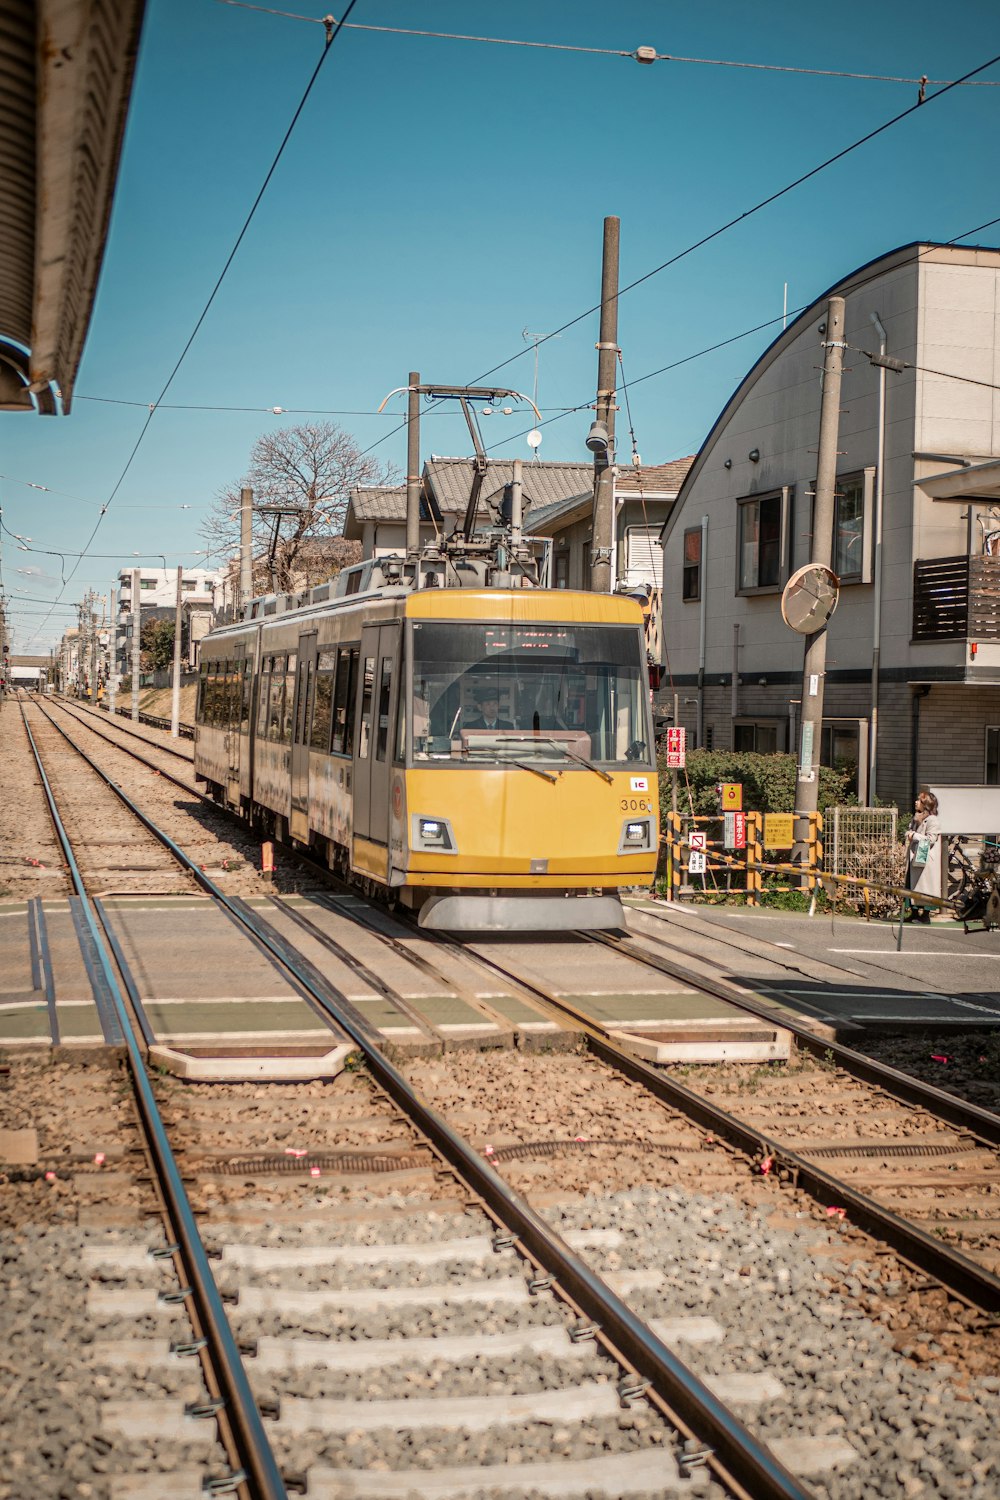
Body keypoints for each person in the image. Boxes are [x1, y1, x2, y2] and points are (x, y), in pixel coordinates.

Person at [904, 790, 942, 923]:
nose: (916, 802)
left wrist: (913, 835)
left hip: (925, 858)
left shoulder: (932, 820)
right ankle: (914, 913)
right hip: (915, 856)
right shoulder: (917, 818)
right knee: (912, 885)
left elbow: (931, 839)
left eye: (919, 800)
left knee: (925, 887)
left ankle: (925, 915)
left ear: (925, 804)